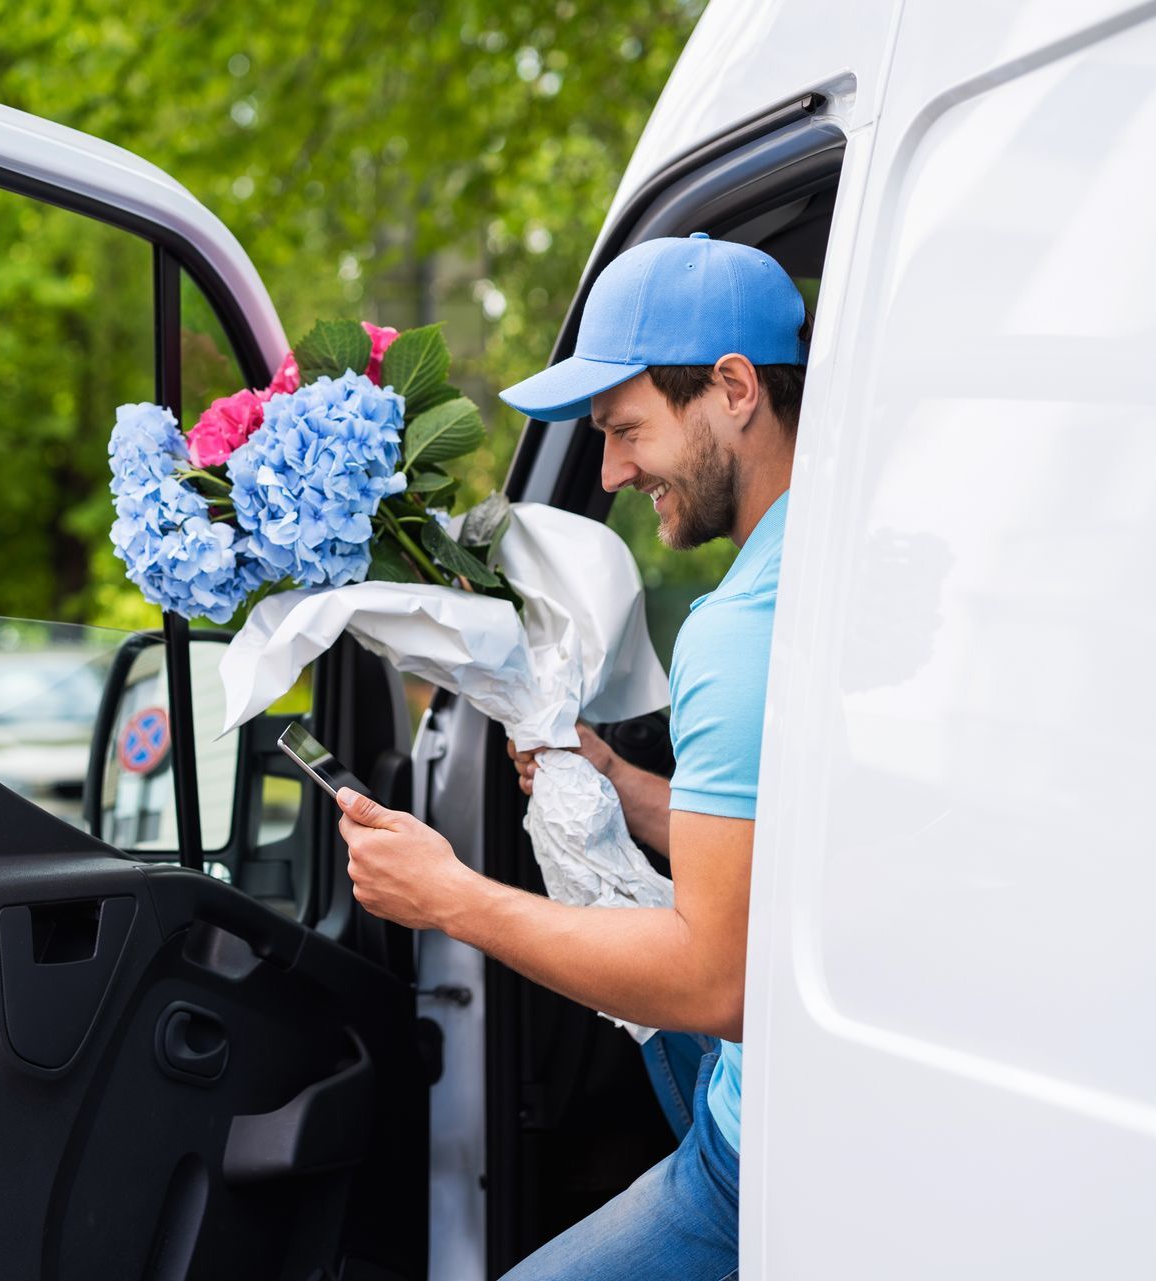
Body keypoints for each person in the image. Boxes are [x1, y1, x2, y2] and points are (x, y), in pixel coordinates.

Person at [335, 232, 806, 1279]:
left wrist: (448, 895)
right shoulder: (857, 558)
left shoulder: (739, 631)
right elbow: (809, 829)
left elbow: (711, 981)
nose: (612, 471)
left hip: (763, 1148)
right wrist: (631, 788)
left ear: (733, 388)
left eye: (626, 428)